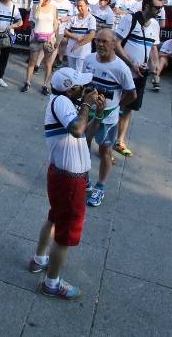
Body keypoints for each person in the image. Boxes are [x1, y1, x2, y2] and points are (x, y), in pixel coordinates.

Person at [30, 67, 103, 300]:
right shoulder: (61, 102)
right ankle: (52, 283)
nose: (85, 89)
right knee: (65, 232)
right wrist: (88, 105)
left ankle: (39, 259)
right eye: (80, 86)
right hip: (69, 179)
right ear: (70, 89)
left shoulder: (65, 103)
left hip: (65, 175)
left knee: (54, 217)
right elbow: (77, 129)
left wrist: (98, 114)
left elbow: (85, 135)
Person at [82, 30, 136, 208]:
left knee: (105, 152)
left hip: (107, 118)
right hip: (88, 112)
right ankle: (85, 179)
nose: (100, 44)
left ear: (114, 44)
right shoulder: (89, 59)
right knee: (83, 145)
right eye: (97, 41)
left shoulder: (121, 68)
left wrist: (116, 106)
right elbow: (83, 83)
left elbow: (132, 94)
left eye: (104, 41)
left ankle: (100, 186)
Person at [114, 0, 163, 156]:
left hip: (140, 74)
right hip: (122, 72)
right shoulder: (130, 19)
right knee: (113, 106)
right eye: (157, 7)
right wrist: (131, 64)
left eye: (161, 8)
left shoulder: (155, 25)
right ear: (147, 6)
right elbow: (116, 44)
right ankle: (105, 142)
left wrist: (155, 65)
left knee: (128, 108)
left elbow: (153, 47)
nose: (160, 11)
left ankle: (119, 141)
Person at [23, 0, 58, 94]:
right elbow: (36, 17)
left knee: (48, 63)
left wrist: (55, 36)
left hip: (49, 38)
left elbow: (55, 22)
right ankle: (27, 82)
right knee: (32, 62)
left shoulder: (53, 8)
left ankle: (45, 85)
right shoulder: (36, 6)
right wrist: (40, 3)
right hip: (37, 37)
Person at [64, 0, 96, 72]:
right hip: (71, 49)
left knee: (79, 73)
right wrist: (75, 37)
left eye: (81, 5)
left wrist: (79, 44)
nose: (79, 8)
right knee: (71, 72)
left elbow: (92, 35)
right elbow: (65, 31)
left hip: (83, 52)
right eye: (78, 6)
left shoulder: (91, 19)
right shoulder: (73, 18)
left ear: (87, 5)